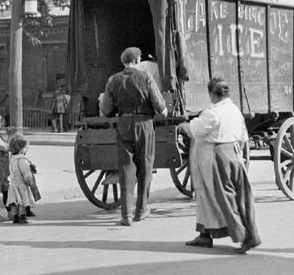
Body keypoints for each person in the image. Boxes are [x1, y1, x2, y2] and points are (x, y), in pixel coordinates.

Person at [178, 77, 261, 254]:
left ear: (211, 94)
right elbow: (244, 136)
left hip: (217, 158)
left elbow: (196, 130)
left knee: (224, 198)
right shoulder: (234, 110)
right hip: (235, 154)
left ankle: (246, 237)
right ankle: (205, 234)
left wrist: (183, 125)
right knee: (240, 197)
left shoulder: (212, 112)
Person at [99, 46, 168, 226]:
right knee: (145, 165)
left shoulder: (113, 80)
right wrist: (164, 110)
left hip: (123, 125)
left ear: (124, 62)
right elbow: (159, 104)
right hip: (144, 124)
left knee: (126, 169)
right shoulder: (146, 77)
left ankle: (126, 215)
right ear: (137, 61)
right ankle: (141, 211)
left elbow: (106, 110)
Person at [7, 135, 38, 224]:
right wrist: (29, 180)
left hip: (13, 183)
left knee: (14, 201)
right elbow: (26, 172)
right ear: (22, 149)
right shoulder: (22, 160)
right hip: (21, 183)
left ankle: (15, 217)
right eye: (26, 147)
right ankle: (22, 217)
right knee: (22, 201)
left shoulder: (11, 159)